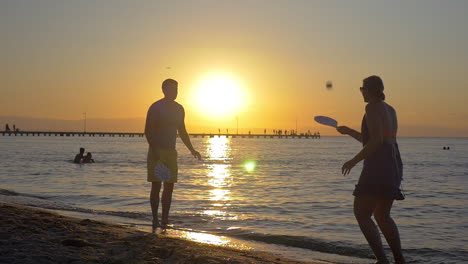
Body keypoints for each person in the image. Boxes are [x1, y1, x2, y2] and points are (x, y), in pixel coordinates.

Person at [337, 75, 405, 264]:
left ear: (371, 90)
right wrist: (350, 131)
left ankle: (382, 260)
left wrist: (353, 160)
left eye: (363, 89)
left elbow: (376, 142)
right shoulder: (390, 110)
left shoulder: (372, 107)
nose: (361, 92)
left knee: (361, 213)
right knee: (382, 216)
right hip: (394, 163)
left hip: (378, 165)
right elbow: (378, 139)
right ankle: (399, 260)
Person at [145, 78, 202, 233]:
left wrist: (192, 149)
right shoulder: (156, 107)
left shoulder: (179, 109)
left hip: (171, 153)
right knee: (156, 186)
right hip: (157, 151)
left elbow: (182, 131)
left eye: (176, 89)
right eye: (171, 89)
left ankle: (164, 220)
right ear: (164, 90)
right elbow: (148, 130)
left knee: (169, 188)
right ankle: (155, 219)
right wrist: (154, 149)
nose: (174, 92)